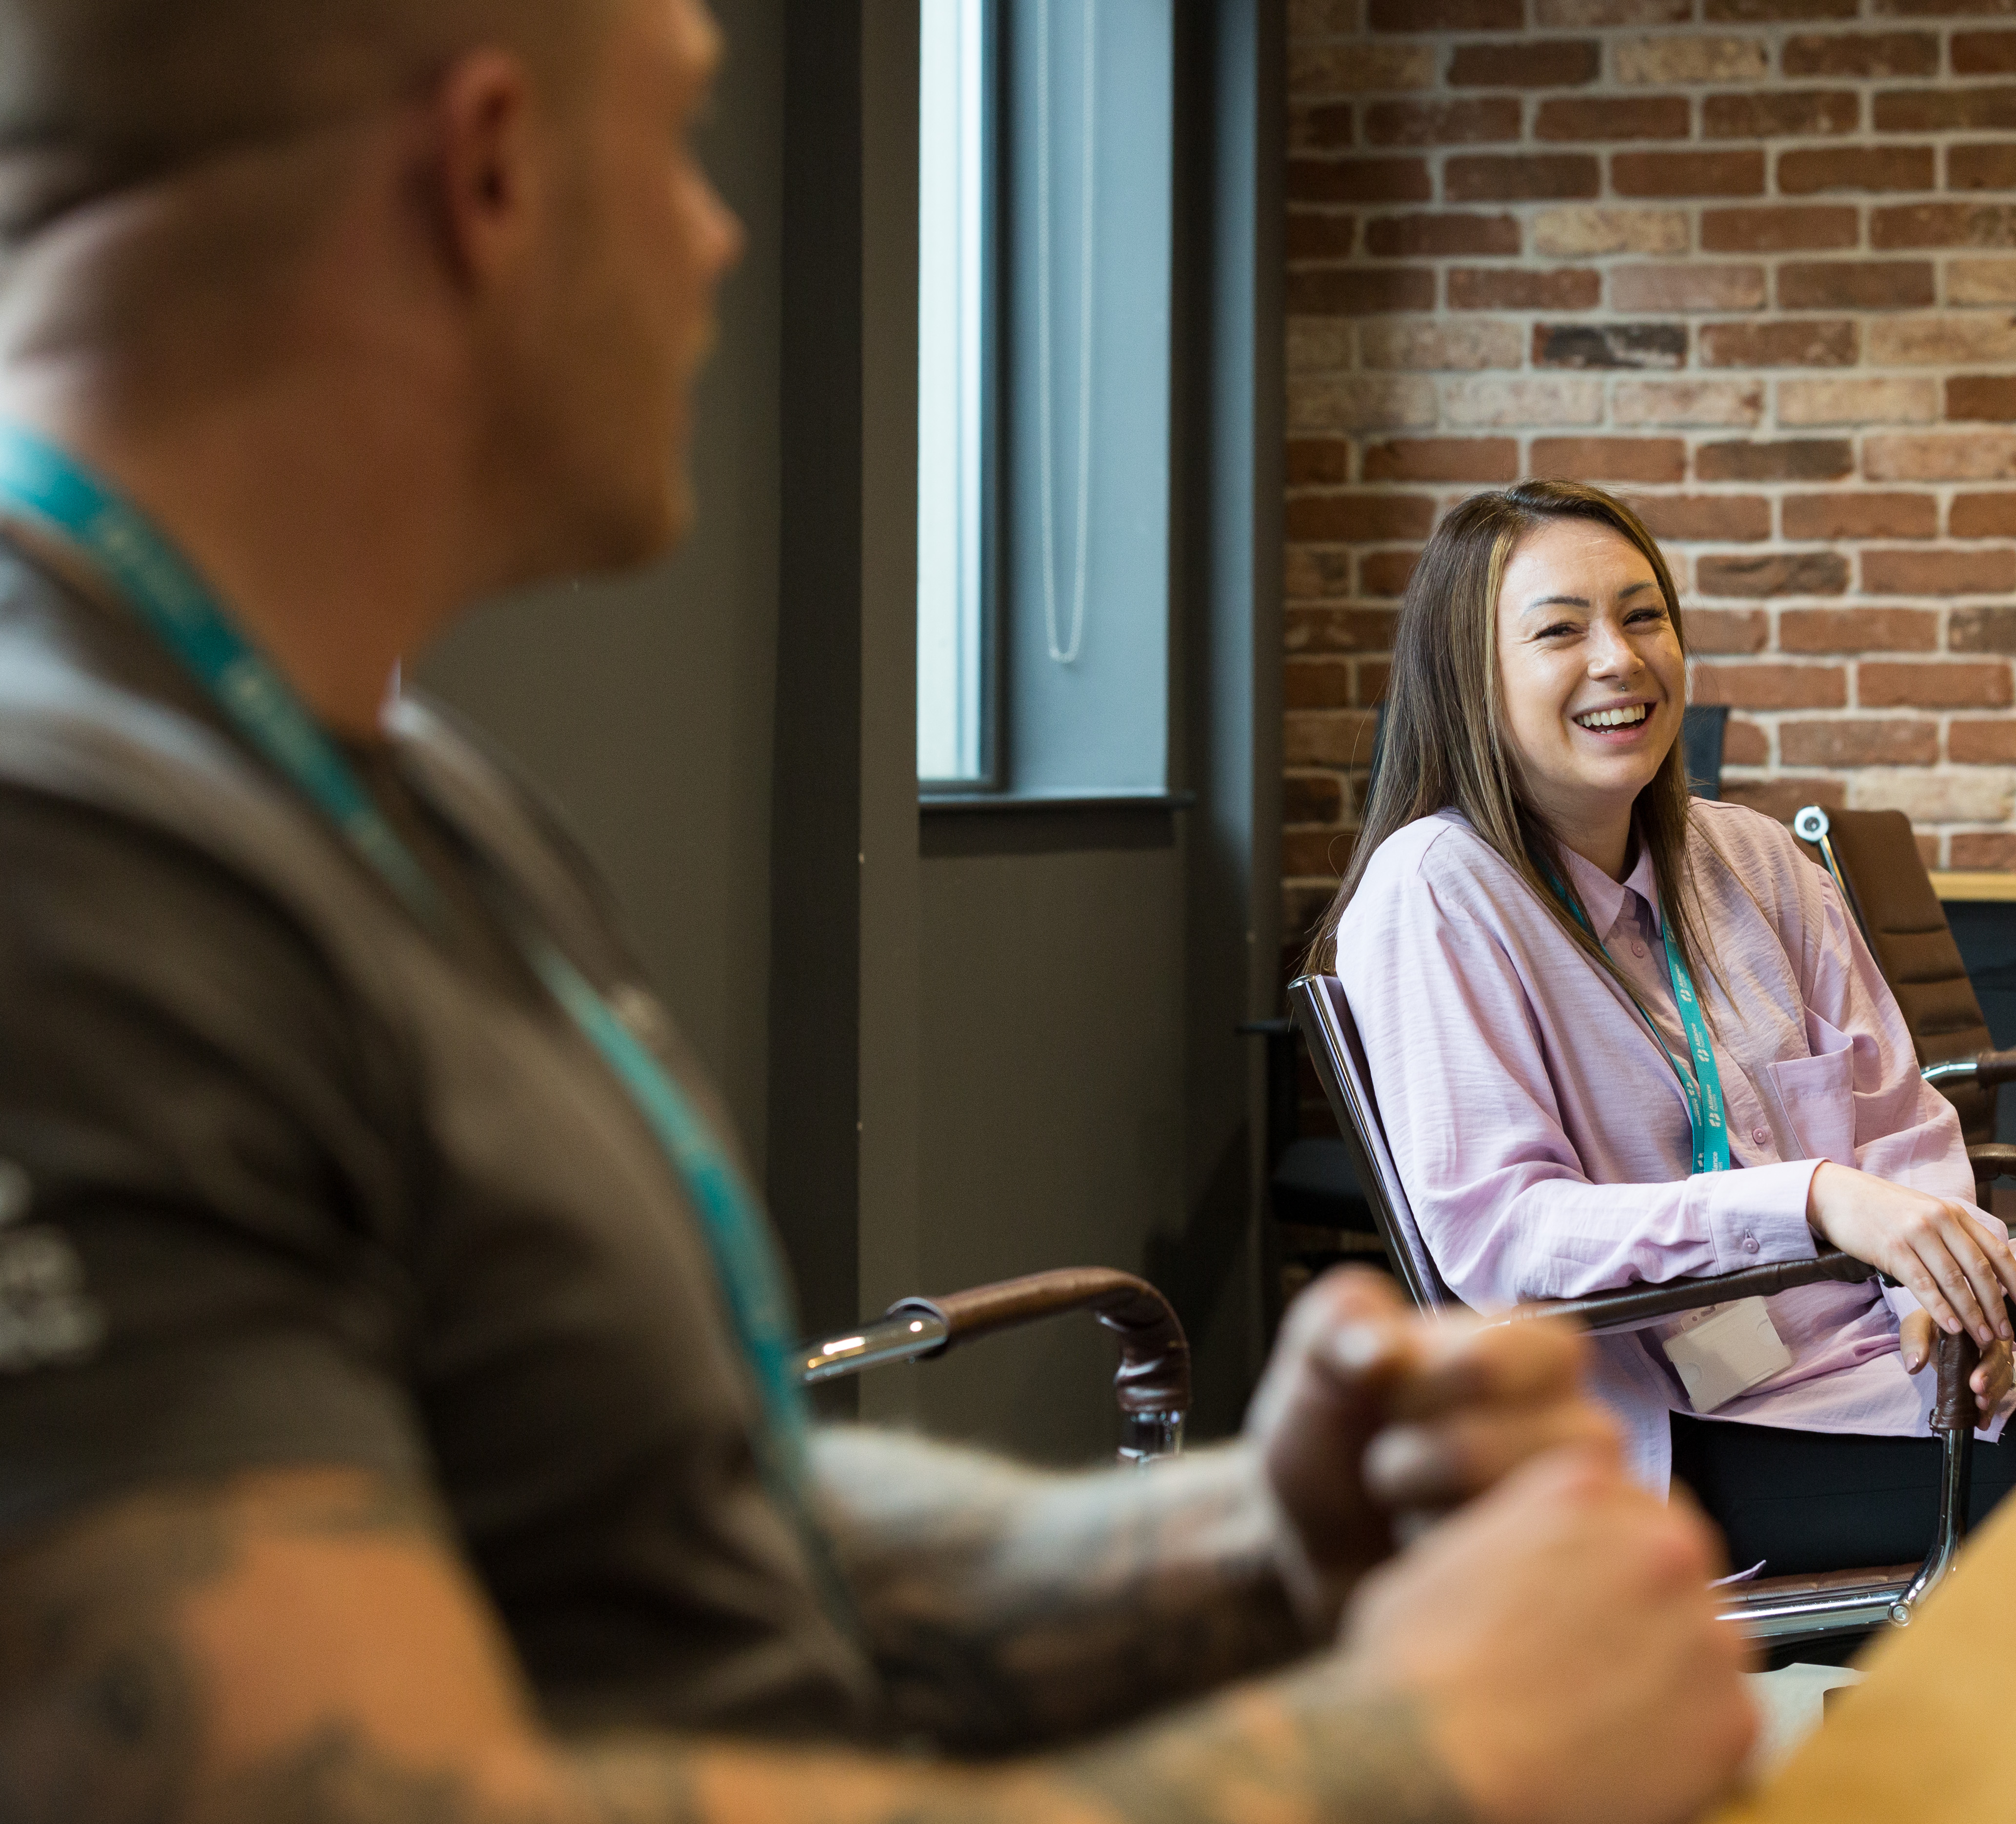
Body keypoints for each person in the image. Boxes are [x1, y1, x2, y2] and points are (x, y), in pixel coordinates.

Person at [0, 5, 1760, 1822]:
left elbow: (675, 1505)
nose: (717, 236)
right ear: (494, 169)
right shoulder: (54, 866)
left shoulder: (399, 788)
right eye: (680, 146)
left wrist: (1236, 1539)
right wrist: (1410, 1758)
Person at [1319, 481, 2016, 1577]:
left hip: (1872, 1322)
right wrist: (1813, 1199)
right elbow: (1501, 1240)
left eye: (1643, 617)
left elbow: (1897, 1123)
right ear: (1469, 677)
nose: (1619, 659)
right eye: (1557, 631)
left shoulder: (1752, 857)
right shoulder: (1435, 888)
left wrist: (1929, 1276)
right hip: (1671, 1414)